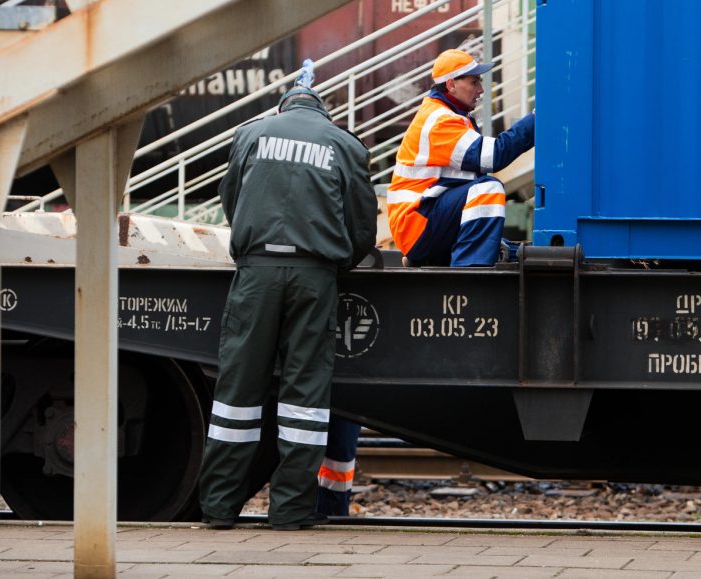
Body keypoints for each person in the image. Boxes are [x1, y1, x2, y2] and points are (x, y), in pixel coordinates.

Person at [199, 63, 378, 530]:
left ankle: (218, 509)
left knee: (237, 392)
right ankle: (292, 511)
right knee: (305, 396)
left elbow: (231, 197)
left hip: (256, 272)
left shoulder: (251, 135)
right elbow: (362, 224)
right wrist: (337, 261)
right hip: (314, 276)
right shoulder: (344, 144)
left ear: (282, 106)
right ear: (322, 109)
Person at [387, 48, 535, 266]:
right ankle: (469, 275)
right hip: (417, 225)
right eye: (474, 82)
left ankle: (450, 261)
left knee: (496, 240)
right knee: (487, 189)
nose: (481, 89)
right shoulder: (440, 120)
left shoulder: (449, 115)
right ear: (451, 85)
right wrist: (535, 120)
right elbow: (493, 156)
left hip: (422, 221)